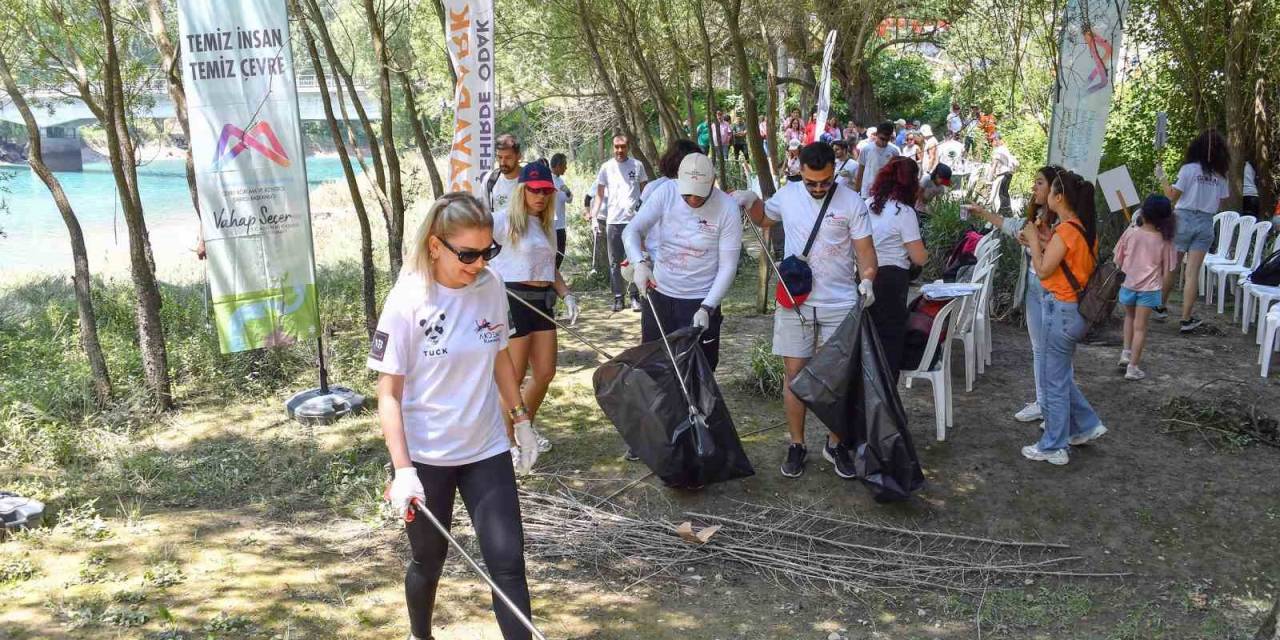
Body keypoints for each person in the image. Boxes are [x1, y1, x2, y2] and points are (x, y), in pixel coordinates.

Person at [372, 192, 535, 640]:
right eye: (468, 254)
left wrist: (519, 417)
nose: (479, 263)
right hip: (427, 458)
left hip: (486, 448)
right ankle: (419, 636)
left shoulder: (491, 286)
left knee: (508, 563)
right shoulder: (407, 300)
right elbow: (388, 395)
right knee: (429, 561)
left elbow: (500, 356)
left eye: (488, 252)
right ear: (435, 246)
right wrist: (403, 470)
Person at [734, 142, 879, 480]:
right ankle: (797, 444)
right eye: (811, 182)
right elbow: (762, 219)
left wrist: (869, 280)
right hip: (795, 299)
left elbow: (867, 254)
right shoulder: (788, 195)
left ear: (835, 172)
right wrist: (748, 198)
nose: (817, 188)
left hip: (840, 301)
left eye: (824, 182)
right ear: (799, 171)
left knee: (837, 379)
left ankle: (836, 443)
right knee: (795, 376)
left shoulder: (851, 202)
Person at [491, 162, 581, 454]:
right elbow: (472, 242)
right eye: (534, 190)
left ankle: (524, 429)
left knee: (544, 372)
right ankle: (506, 442)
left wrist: (567, 294)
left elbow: (549, 267)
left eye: (546, 191)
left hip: (542, 303)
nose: (541, 196)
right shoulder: (504, 221)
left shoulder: (546, 225)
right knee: (513, 377)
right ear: (522, 190)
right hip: (513, 300)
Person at [1019, 170, 1107, 465]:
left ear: (1059, 197)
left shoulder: (1067, 231)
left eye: (1051, 190)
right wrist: (1045, 239)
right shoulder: (1081, 228)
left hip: (1061, 311)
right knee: (1059, 377)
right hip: (1074, 311)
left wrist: (1033, 239)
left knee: (1052, 380)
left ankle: (1053, 445)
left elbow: (1043, 270)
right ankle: (1086, 425)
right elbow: (1065, 262)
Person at [965, 165, 1064, 424]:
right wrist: (983, 212)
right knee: (1039, 349)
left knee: (1055, 352)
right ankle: (1043, 402)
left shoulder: (1065, 222)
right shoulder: (1037, 215)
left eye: (1040, 183)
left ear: (1056, 189)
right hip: (1033, 287)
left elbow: (1060, 254)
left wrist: (1034, 242)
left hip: (1054, 292)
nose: (1034, 187)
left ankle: (1056, 409)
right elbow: (1010, 225)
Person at [625, 152, 743, 368]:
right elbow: (632, 230)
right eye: (687, 194)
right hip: (660, 294)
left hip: (701, 299)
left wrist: (708, 307)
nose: (693, 200)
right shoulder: (666, 193)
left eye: (699, 195)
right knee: (654, 366)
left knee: (699, 369)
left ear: (712, 183)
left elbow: (728, 266)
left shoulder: (727, 208)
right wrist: (639, 263)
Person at [1157, 130, 1231, 331]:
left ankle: (1160, 307)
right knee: (1193, 273)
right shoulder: (1220, 175)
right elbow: (1223, 202)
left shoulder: (1188, 169)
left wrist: (1162, 177)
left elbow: (1171, 196)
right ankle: (1186, 318)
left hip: (1183, 219)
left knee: (1173, 267)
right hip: (1206, 223)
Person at [864, 157, 928, 379]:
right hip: (891, 279)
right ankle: (886, 401)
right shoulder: (904, 212)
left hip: (863, 275)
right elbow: (919, 257)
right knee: (889, 343)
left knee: (866, 341)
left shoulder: (866, 204)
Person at [1113, 194, 1178, 381]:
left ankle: (1125, 352)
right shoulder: (1166, 241)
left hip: (1128, 284)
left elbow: (1118, 258)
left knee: (1129, 317)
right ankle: (1133, 367)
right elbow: (1169, 269)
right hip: (1149, 289)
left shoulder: (1131, 232)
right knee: (1141, 328)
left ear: (1144, 212)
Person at [591, 135, 650, 312]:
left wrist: (643, 211)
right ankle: (618, 297)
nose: (619, 150)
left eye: (623, 147)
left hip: (633, 222)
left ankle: (634, 296)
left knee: (633, 259)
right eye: (616, 147)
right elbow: (599, 194)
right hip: (613, 221)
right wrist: (594, 217)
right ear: (612, 147)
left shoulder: (637, 165)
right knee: (614, 261)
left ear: (628, 147)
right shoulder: (606, 167)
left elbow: (645, 190)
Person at [639, 139, 703, 261]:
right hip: (658, 261)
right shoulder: (654, 188)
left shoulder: (700, 190)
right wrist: (642, 261)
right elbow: (638, 229)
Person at [854, 122, 901, 198]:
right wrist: (857, 190)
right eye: (882, 138)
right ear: (877, 134)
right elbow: (860, 171)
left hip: (886, 191)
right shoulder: (867, 149)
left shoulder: (894, 151)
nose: (884, 142)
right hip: (867, 191)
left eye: (887, 139)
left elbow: (896, 173)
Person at [485, 134, 522, 212]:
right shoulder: (490, 179)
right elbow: (483, 212)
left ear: (518, 156)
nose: (502, 162)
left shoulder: (529, 180)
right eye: (499, 157)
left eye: (508, 157)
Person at [549, 154, 571, 270]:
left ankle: (553, 279)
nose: (566, 168)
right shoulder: (547, 179)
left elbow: (568, 200)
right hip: (549, 225)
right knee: (551, 255)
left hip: (560, 225)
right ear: (558, 165)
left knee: (560, 253)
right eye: (564, 165)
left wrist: (568, 192)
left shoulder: (560, 180)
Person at [990, 135, 1019, 214]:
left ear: (996, 140)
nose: (991, 143)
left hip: (1002, 174)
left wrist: (990, 177)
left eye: (991, 141)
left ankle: (1000, 212)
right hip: (1008, 173)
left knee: (998, 194)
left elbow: (994, 164)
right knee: (1004, 193)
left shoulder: (998, 151)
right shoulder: (1005, 149)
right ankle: (1007, 211)